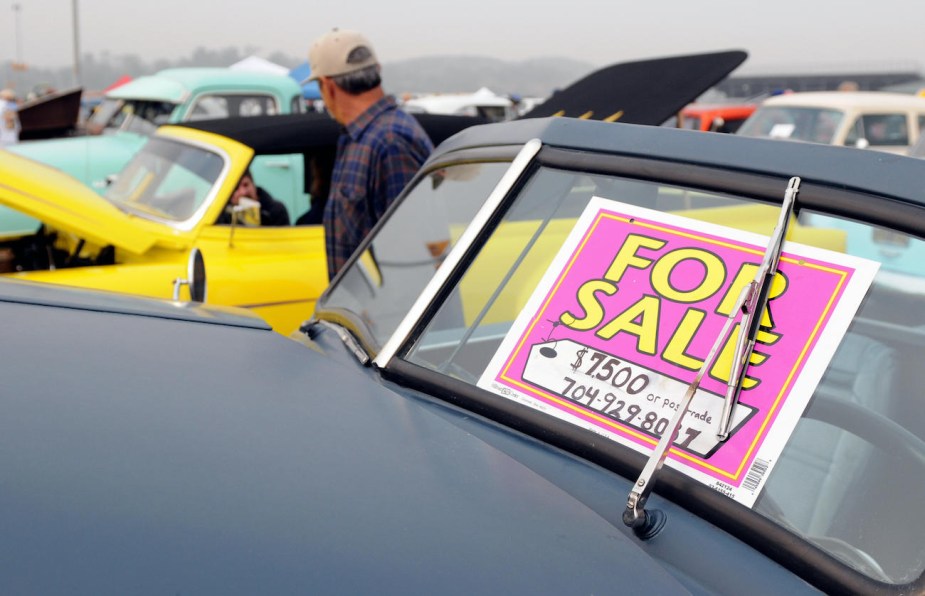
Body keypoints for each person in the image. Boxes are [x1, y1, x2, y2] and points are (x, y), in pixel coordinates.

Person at [307, 28, 433, 279]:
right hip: (363, 314)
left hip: (391, 316)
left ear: (327, 86)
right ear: (377, 70)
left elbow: (412, 261)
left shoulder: (390, 142)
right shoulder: (365, 137)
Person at [219, 169, 290, 227]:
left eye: (246, 185)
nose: (243, 192)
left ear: (253, 184)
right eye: (236, 188)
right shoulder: (221, 214)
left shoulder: (276, 210)